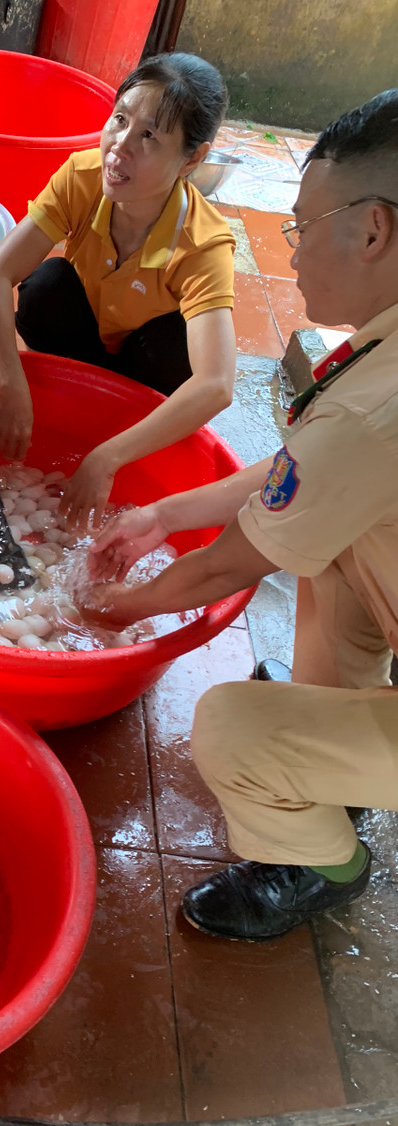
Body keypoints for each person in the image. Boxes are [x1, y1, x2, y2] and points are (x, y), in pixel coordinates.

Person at [81, 90, 398, 941]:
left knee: (228, 728)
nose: (288, 253)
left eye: (299, 225)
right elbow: (315, 470)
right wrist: (160, 516)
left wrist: (100, 611)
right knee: (330, 544)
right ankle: (341, 761)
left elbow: (229, 565)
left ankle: (323, 860)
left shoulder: (380, 404)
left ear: (373, 230)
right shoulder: (380, 366)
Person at [0, 52, 236, 528]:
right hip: (83, 345)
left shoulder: (203, 243)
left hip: (144, 375)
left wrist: (107, 457)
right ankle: (70, 394)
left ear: (193, 158)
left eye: (149, 137)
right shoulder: (82, 178)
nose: (119, 147)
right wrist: (12, 387)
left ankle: (125, 426)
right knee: (46, 287)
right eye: (119, 119)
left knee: (178, 345)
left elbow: (216, 385)